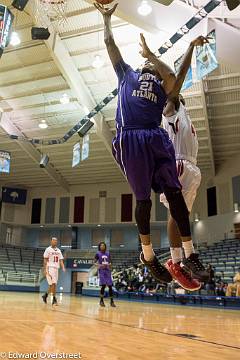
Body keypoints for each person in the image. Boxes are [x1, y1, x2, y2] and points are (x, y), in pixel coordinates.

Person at [95, 2, 207, 285]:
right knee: (143, 199)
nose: (146, 65)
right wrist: (106, 18)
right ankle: (147, 254)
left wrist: (153, 56)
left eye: (151, 66)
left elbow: (174, 77)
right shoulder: (126, 75)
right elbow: (109, 43)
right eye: (144, 62)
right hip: (130, 137)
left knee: (174, 194)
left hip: (155, 136)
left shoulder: (163, 88)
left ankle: (190, 254)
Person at [160, 36, 210, 290]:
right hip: (178, 165)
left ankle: (181, 261)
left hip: (191, 168)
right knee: (175, 213)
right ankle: (176, 260)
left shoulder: (184, 113)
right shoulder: (169, 111)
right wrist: (190, 47)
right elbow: (178, 75)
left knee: (183, 215)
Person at [42, 237, 65, 306]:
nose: (54, 242)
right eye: (53, 241)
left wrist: (63, 267)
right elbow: (45, 259)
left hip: (56, 268)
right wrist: (44, 269)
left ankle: (45, 295)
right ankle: (54, 299)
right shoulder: (48, 249)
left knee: (53, 284)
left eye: (56, 241)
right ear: (51, 241)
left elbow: (61, 260)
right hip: (50, 268)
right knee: (53, 284)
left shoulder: (58, 250)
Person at [95, 242, 116, 307]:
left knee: (110, 286)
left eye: (103, 245)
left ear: (105, 246)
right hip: (102, 271)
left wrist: (109, 265)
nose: (102, 246)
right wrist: (100, 265)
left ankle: (112, 302)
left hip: (108, 271)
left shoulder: (108, 253)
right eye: (101, 245)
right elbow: (94, 262)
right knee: (103, 285)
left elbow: (111, 262)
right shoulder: (98, 253)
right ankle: (101, 301)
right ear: (99, 247)